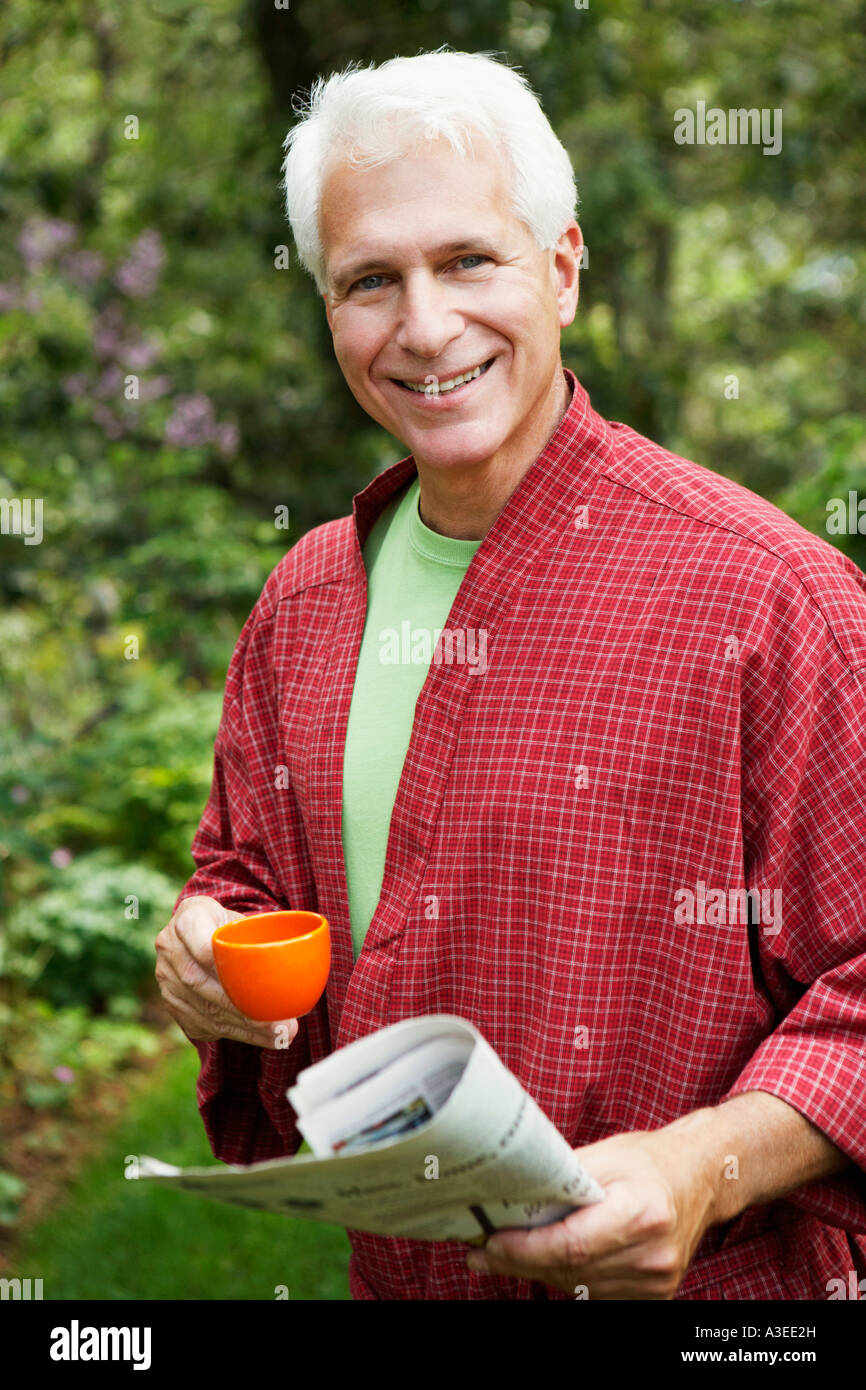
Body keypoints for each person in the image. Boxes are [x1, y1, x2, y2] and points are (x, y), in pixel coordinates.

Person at [154, 49, 866, 1300]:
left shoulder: (771, 597)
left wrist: (699, 1165)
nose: (424, 328)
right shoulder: (305, 605)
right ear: (327, 309)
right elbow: (247, 873)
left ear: (563, 265)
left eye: (467, 261)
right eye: (371, 280)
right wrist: (205, 942)